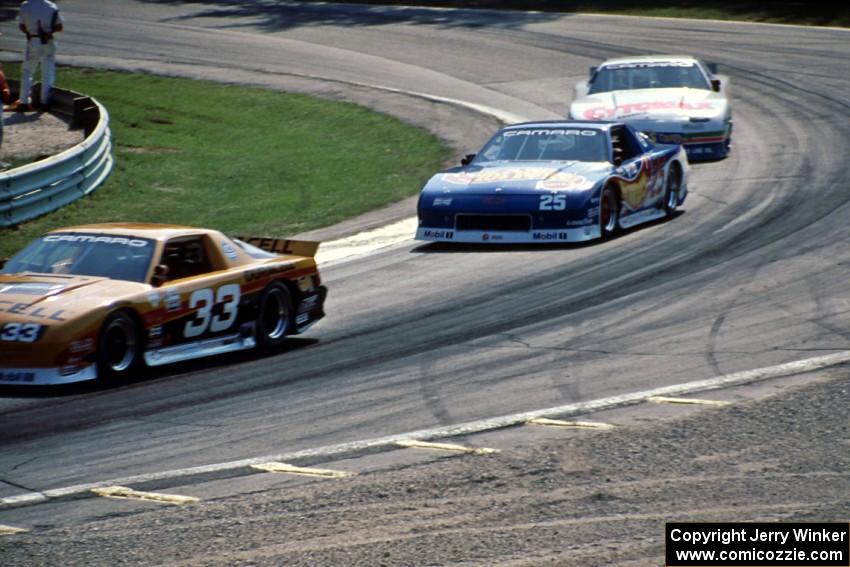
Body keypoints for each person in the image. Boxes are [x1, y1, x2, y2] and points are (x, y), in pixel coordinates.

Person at [17, 0, 63, 111]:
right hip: (48, 40)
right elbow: (59, 27)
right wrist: (49, 32)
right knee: (47, 71)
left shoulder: (25, 5)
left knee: (27, 71)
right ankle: (45, 102)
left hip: (33, 40)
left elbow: (22, 26)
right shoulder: (51, 6)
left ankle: (23, 102)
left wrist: (30, 32)